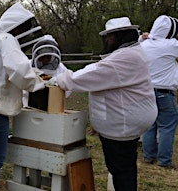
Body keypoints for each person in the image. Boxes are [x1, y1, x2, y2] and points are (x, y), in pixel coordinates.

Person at [52, 17, 157, 191]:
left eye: (109, 37)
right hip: (129, 123)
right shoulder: (133, 52)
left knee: (121, 171)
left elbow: (90, 75)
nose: (107, 40)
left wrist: (58, 80)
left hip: (123, 126)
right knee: (125, 167)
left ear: (119, 36)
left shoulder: (124, 58)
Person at [0, 2, 49, 191]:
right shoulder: (7, 41)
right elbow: (19, 70)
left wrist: (34, 73)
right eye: (25, 29)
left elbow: (13, 69)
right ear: (17, 27)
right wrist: (40, 83)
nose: (27, 34)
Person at [140, 15, 178, 168]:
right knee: (168, 124)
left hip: (146, 91)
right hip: (164, 92)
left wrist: (148, 37)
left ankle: (148, 156)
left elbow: (138, 43)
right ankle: (164, 161)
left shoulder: (144, 45)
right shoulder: (170, 46)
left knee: (150, 124)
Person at [22, 34, 71, 107]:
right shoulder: (27, 66)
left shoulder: (61, 68)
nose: (45, 59)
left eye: (48, 57)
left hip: (53, 105)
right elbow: (22, 86)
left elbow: (67, 88)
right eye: (43, 56)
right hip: (29, 105)